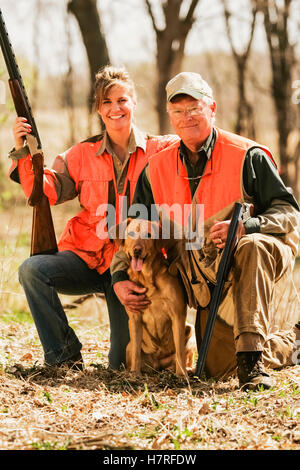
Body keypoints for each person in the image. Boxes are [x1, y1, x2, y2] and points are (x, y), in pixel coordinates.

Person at [111, 71, 300, 390]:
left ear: (212, 109)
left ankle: (252, 364)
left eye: (195, 108)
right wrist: (118, 278)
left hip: (249, 266)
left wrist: (246, 226)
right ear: (170, 117)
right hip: (201, 278)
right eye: (178, 111)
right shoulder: (155, 169)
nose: (187, 117)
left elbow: (290, 213)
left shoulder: (247, 156)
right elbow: (131, 232)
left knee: (251, 245)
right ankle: (292, 342)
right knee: (215, 368)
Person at [8, 65, 178, 371]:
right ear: (98, 108)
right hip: (86, 258)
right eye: (107, 102)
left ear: (134, 103)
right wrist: (24, 151)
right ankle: (64, 356)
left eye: (122, 100)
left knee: (120, 364)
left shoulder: (160, 150)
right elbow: (41, 193)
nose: (115, 109)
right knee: (32, 271)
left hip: (131, 268)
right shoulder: (80, 155)